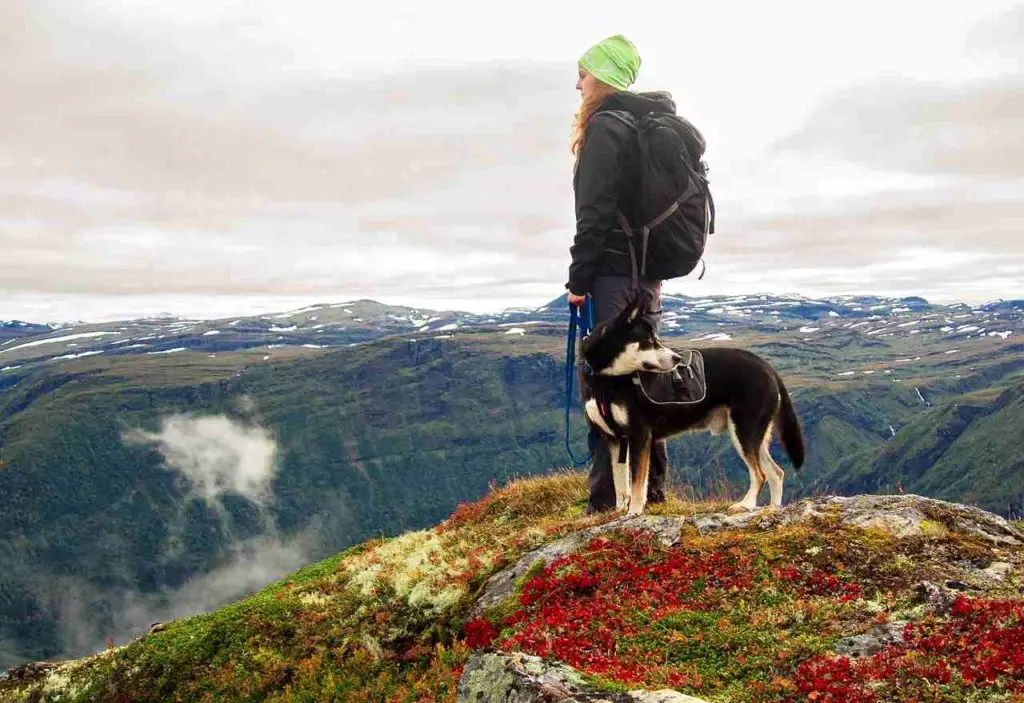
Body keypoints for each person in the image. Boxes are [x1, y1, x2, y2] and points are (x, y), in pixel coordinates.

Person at [565, 34, 676, 513]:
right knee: (644, 376)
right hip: (646, 274)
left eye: (584, 74)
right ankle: (649, 491)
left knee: (606, 383)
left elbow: (594, 215)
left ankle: (606, 500)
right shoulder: (642, 125)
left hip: (612, 273)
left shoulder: (607, 128)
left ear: (604, 78)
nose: (578, 84)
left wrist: (578, 280)